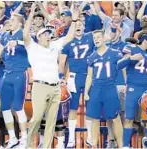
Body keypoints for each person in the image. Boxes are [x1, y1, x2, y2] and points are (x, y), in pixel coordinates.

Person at [23, 2, 78, 148]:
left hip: (55, 87)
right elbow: (25, 34)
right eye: (45, 34)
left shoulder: (54, 46)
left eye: (49, 33)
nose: (48, 35)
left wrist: (74, 21)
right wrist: (31, 14)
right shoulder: (32, 47)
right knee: (37, 118)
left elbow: (70, 37)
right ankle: (28, 144)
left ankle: (47, 146)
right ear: (39, 37)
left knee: (51, 120)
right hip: (40, 86)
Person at [0, 13, 29, 148]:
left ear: (20, 23)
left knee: (18, 107)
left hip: (20, 72)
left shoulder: (24, 33)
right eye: (10, 19)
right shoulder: (4, 35)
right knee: (5, 108)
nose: (10, 22)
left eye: (13, 20)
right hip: (7, 73)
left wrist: (18, 42)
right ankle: (12, 138)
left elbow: (31, 44)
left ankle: (24, 139)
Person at [118, 31, 147, 149]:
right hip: (133, 88)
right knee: (129, 117)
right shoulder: (131, 49)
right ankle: (126, 145)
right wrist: (130, 58)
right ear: (146, 40)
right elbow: (119, 65)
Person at [59, 19, 95, 148]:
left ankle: (90, 137)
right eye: (76, 24)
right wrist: (61, 76)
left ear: (84, 27)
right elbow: (62, 62)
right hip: (74, 77)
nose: (78, 26)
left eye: (81, 24)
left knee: (90, 108)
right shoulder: (67, 42)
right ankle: (71, 139)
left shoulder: (90, 37)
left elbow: (106, 38)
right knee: (73, 108)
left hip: (89, 76)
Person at [84, 30, 123, 148]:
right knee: (95, 119)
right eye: (94, 38)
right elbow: (89, 75)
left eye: (98, 37)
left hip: (110, 88)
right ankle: (94, 145)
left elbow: (123, 69)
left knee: (115, 118)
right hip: (96, 89)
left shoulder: (115, 53)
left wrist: (124, 84)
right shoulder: (92, 56)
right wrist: (86, 91)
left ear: (103, 38)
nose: (96, 39)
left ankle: (122, 145)